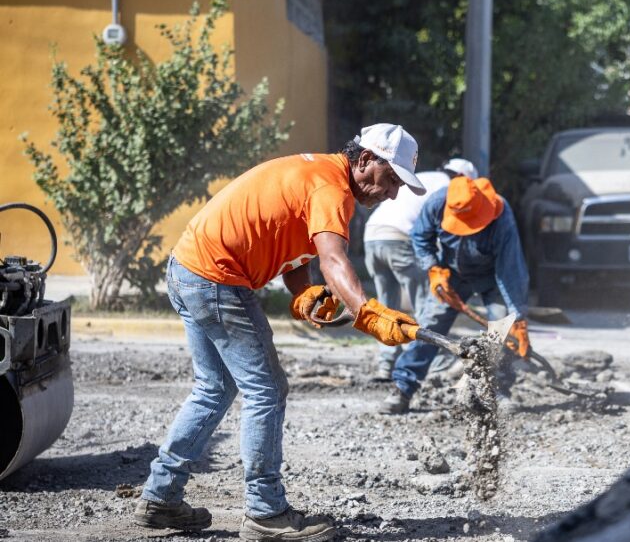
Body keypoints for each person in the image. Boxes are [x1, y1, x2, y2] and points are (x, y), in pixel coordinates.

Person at [133, 124, 423, 541]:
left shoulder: (320, 175)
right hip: (217, 277)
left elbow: (292, 243)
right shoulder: (332, 189)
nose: (392, 193)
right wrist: (368, 312)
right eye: (391, 179)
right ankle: (265, 513)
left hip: (189, 268)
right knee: (266, 390)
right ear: (364, 161)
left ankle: (160, 497)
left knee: (214, 388)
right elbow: (333, 258)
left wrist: (303, 290)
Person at [380, 176, 531, 414]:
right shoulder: (437, 203)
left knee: (502, 329)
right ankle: (402, 386)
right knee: (430, 325)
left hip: (492, 276)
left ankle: (498, 391)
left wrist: (518, 317)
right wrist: (434, 270)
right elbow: (421, 237)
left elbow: (510, 268)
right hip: (452, 274)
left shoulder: (501, 215)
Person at [362, 158, 478, 380]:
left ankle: (386, 363)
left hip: (372, 237)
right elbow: (438, 232)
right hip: (400, 239)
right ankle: (438, 363)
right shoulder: (449, 189)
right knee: (426, 303)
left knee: (387, 306)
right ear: (463, 178)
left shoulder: (426, 177)